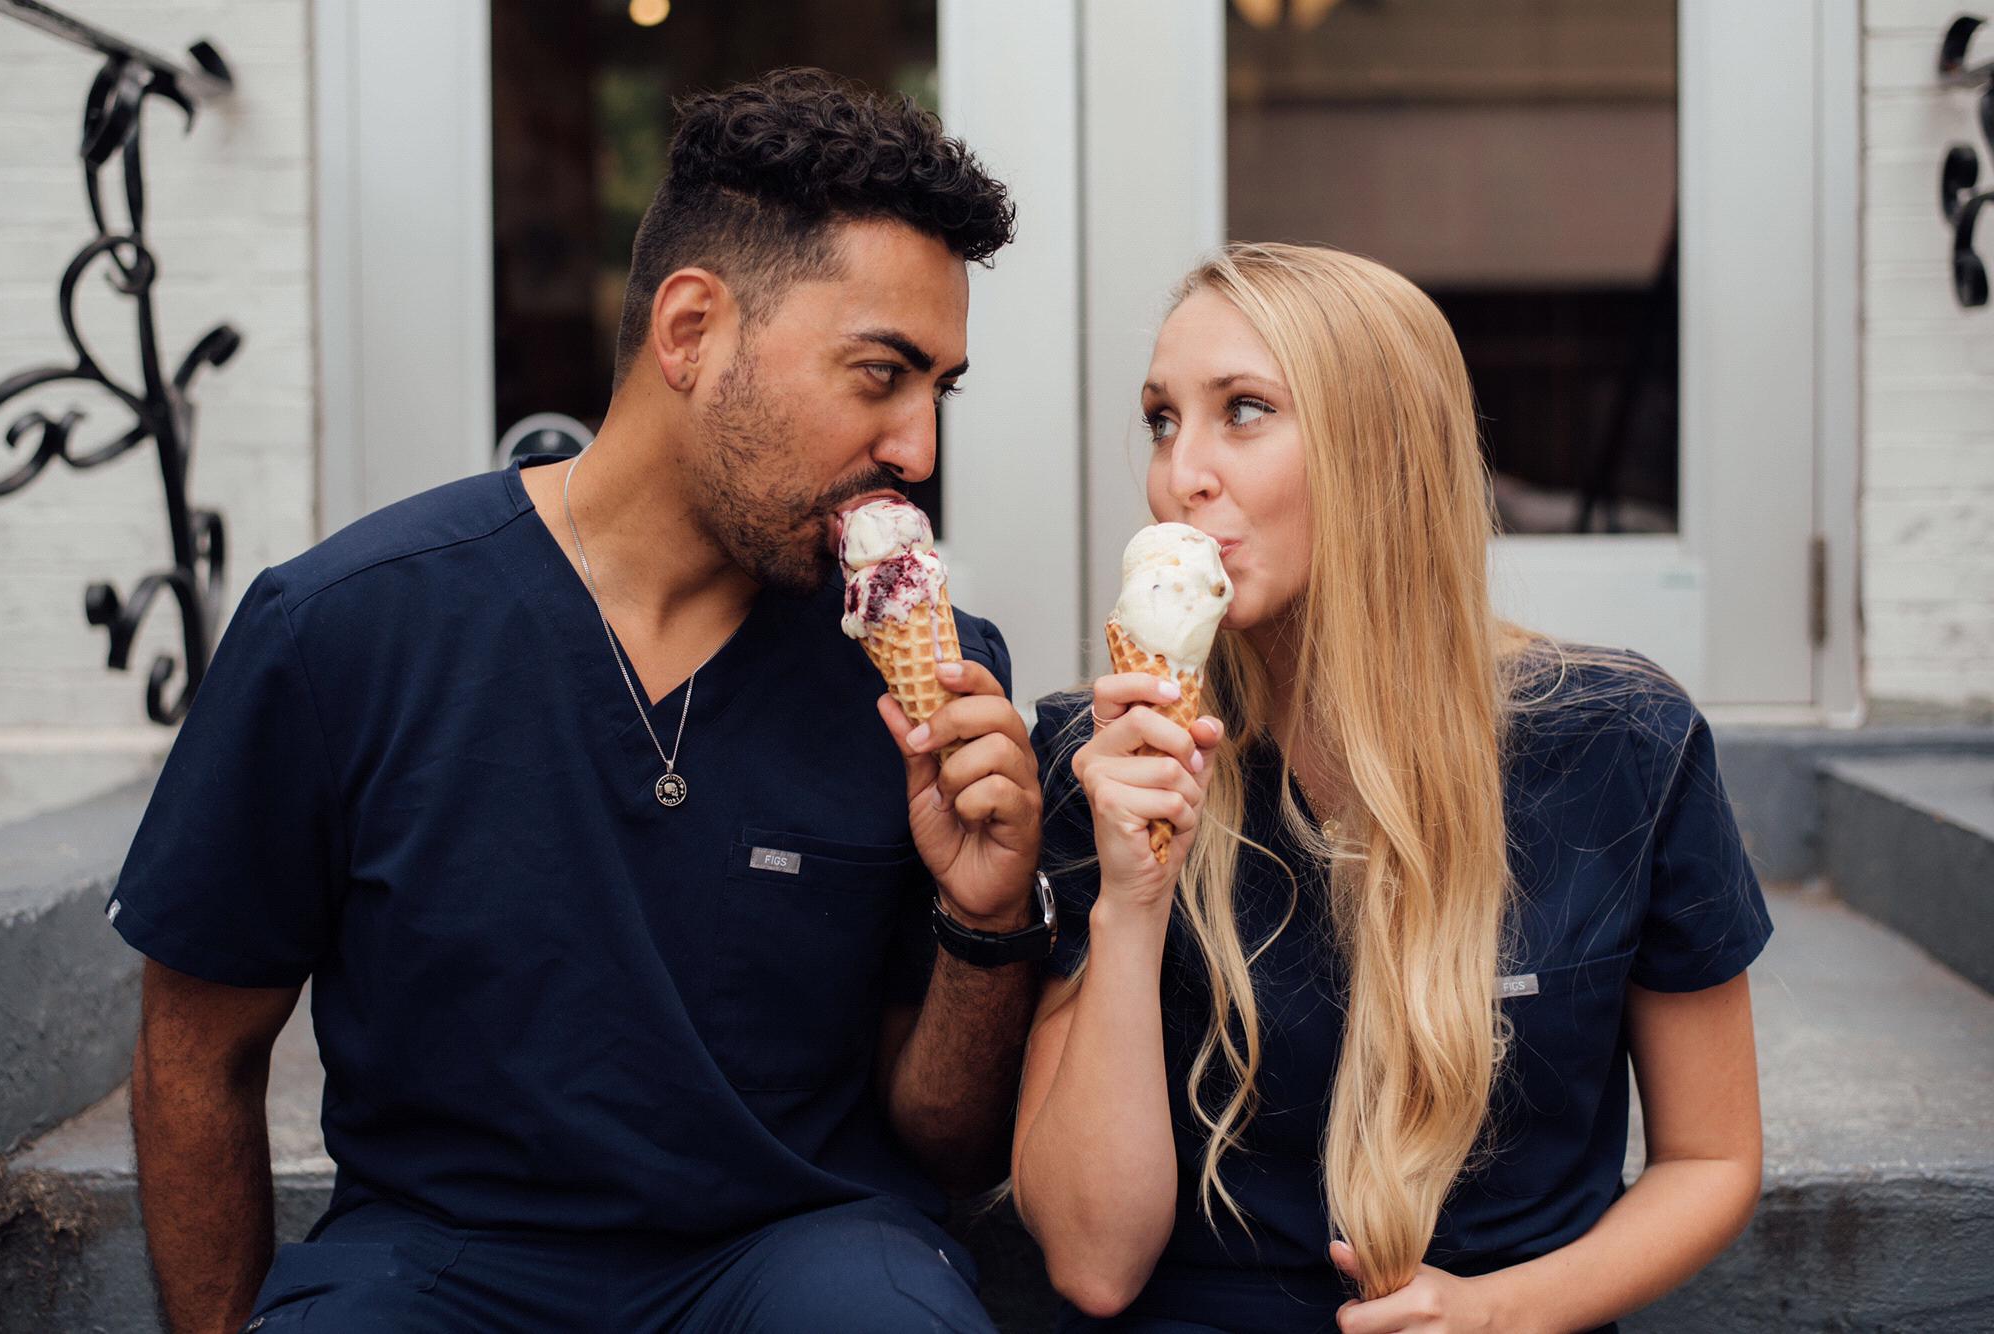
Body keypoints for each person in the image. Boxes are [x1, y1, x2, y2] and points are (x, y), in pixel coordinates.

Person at [113, 69, 1051, 1334]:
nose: (917, 448)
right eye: (879, 373)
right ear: (689, 331)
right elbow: (194, 1051)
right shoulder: (342, 629)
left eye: (939, 387)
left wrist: (986, 915)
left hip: (802, 1248)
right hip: (443, 1254)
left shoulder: (920, 678)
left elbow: (939, 1142)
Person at [1012, 243, 1770, 1334]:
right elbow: (1092, 1262)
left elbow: (1710, 1155)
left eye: (1242, 410)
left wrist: (1500, 1311)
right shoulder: (1107, 754)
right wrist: (1130, 902)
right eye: (1161, 419)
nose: (1181, 473)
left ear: (1382, 452)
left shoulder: (1617, 745)